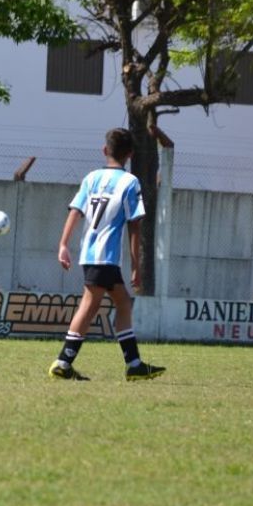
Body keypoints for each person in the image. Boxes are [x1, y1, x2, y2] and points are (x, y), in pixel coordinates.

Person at [48, 128, 166, 382]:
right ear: (130, 154)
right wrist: (136, 265)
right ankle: (63, 361)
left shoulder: (91, 178)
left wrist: (63, 244)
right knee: (90, 305)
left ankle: (133, 364)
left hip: (89, 255)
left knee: (121, 302)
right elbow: (135, 225)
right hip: (106, 257)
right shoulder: (130, 182)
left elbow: (75, 211)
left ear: (105, 150)